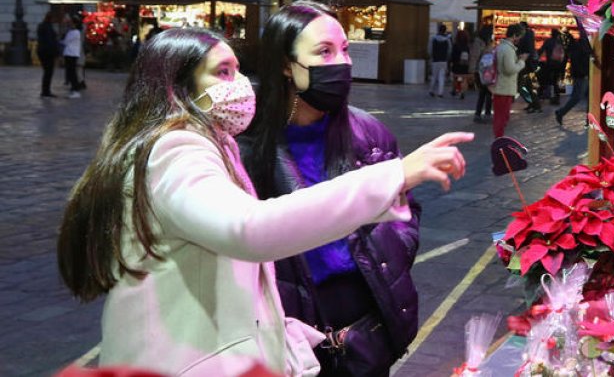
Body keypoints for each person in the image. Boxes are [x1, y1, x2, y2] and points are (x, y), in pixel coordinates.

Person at [57, 28, 469, 376]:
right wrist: (395, 174)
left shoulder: (209, 141)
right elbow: (250, 230)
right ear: (178, 87)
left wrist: (277, 329)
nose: (239, 84)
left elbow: (218, 270)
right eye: (222, 72)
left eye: (238, 69)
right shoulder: (175, 148)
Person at [240, 1, 456, 375]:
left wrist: (393, 252)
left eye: (345, 50)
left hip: (366, 317)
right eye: (324, 51)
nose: (341, 63)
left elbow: (406, 209)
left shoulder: (368, 131)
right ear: (285, 65)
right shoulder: (247, 146)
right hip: (290, 328)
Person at [492, 24, 526, 139]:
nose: (520, 39)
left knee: (501, 116)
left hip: (502, 87)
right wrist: (521, 61)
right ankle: (499, 140)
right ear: (515, 35)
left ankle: (499, 138)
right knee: (502, 117)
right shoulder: (508, 49)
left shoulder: (502, 47)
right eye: (519, 36)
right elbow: (510, 69)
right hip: (504, 88)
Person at [554, 31, 592, 126]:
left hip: (582, 75)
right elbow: (581, 61)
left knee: (584, 97)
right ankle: (561, 112)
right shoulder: (578, 46)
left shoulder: (575, 47)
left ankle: (589, 120)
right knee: (578, 97)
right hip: (583, 75)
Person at [470, 25, 494, 122]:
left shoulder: (485, 42)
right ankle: (480, 114)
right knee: (484, 92)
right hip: (480, 71)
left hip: (486, 70)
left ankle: (483, 114)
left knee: (486, 92)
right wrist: (472, 70)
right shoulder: (480, 43)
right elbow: (474, 57)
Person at [37, 10, 61, 97]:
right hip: (47, 53)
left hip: (43, 52)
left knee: (47, 72)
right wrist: (56, 53)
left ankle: (45, 90)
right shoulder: (48, 27)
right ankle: (45, 91)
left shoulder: (43, 26)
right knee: (48, 72)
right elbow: (50, 42)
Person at [538, 28, 565, 105]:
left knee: (546, 80)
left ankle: (541, 95)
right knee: (555, 81)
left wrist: (537, 57)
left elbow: (541, 50)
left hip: (549, 64)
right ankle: (556, 98)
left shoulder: (548, 41)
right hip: (558, 65)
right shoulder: (559, 42)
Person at [517, 21, 540, 112]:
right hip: (529, 65)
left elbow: (526, 50)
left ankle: (534, 104)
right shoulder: (529, 35)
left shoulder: (526, 36)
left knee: (523, 86)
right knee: (528, 86)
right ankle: (534, 104)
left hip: (526, 65)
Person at [61, 16, 84, 98]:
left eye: (71, 23)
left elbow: (65, 41)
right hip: (69, 53)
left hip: (71, 54)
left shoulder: (75, 32)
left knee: (72, 72)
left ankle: (75, 89)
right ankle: (74, 88)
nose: (69, 24)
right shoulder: (72, 32)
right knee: (70, 72)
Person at [428, 24, 451, 98]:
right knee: (442, 76)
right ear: (445, 30)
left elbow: (430, 49)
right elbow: (449, 50)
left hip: (435, 60)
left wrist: (431, 56)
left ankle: (431, 90)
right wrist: (447, 58)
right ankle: (440, 92)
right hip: (443, 60)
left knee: (434, 76)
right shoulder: (447, 40)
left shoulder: (433, 39)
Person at [450, 28, 472, 99]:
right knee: (464, 79)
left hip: (457, 63)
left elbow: (453, 55)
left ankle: (454, 90)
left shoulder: (456, 45)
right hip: (465, 64)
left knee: (455, 77)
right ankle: (463, 92)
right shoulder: (467, 46)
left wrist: (452, 62)